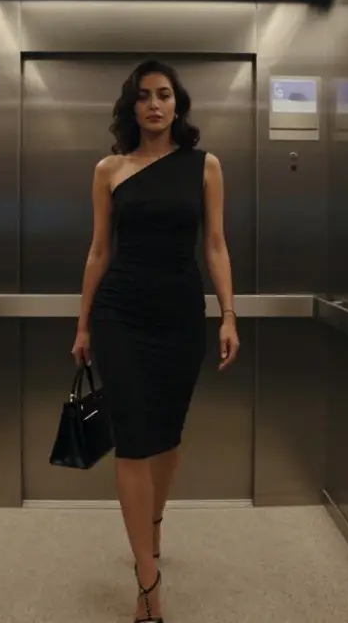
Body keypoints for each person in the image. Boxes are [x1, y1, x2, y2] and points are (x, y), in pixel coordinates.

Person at [70, 59, 240, 622]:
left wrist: (229, 315)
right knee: (133, 438)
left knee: (166, 436)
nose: (154, 105)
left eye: (164, 95)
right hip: (122, 311)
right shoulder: (109, 169)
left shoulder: (204, 166)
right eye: (143, 96)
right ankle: (148, 582)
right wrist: (84, 323)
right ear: (131, 106)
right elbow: (99, 251)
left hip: (180, 314)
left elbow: (215, 245)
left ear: (177, 104)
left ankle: (154, 525)